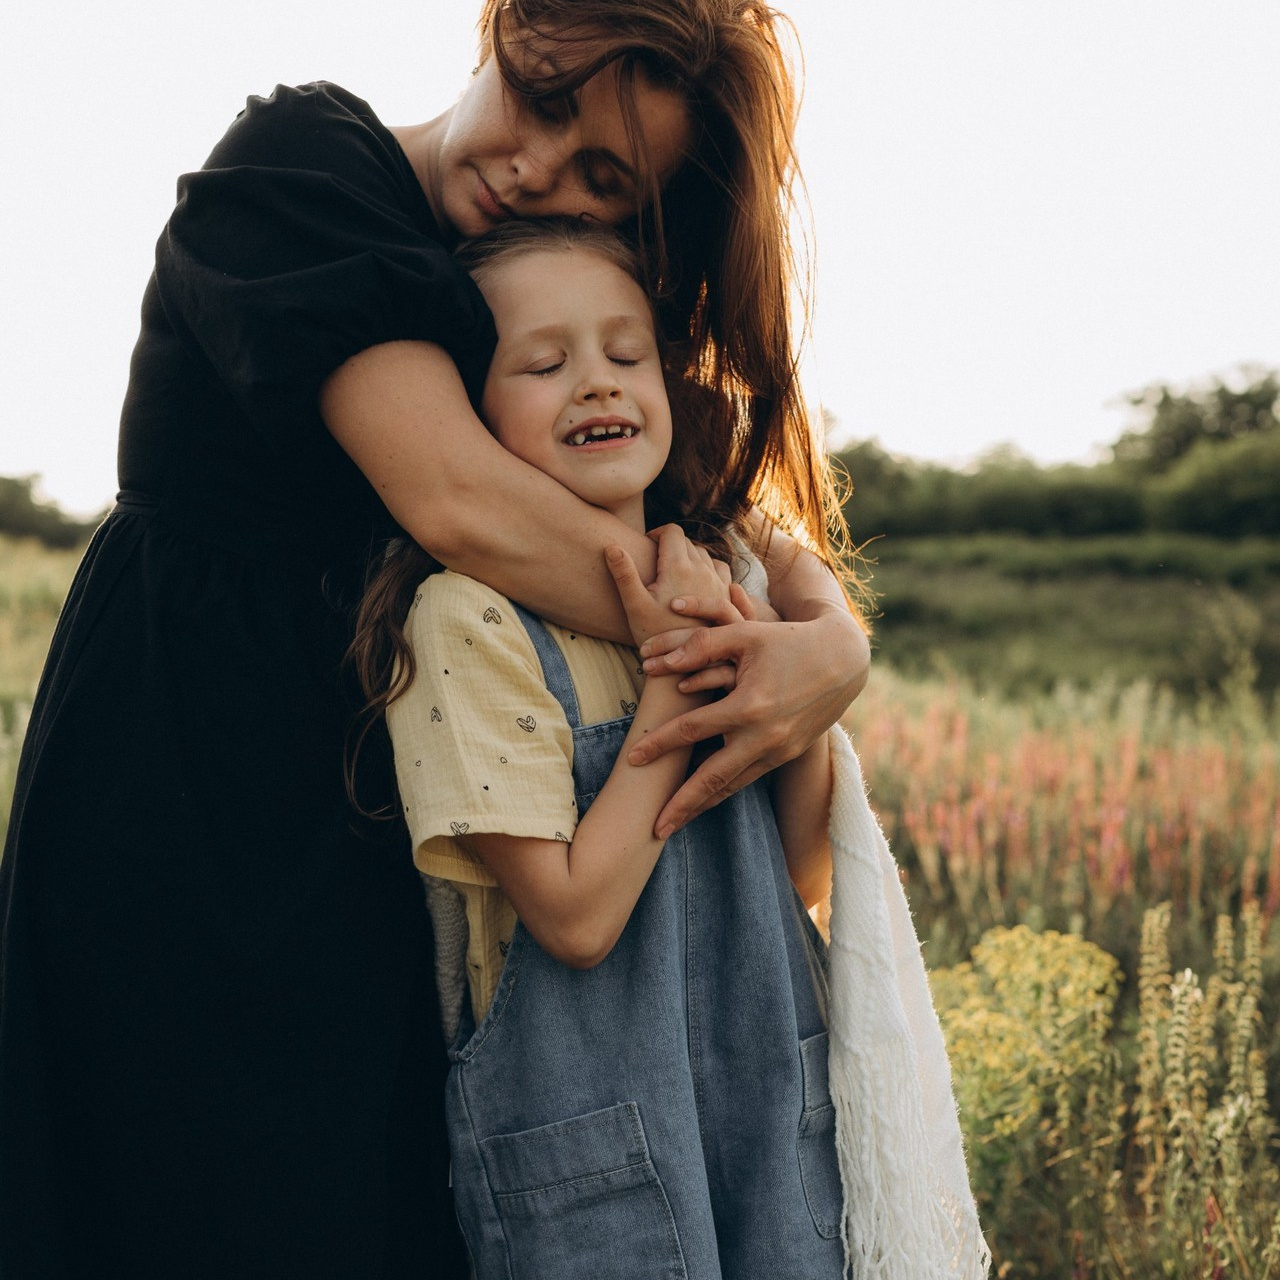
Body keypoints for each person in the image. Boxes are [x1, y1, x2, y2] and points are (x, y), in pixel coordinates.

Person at [0, 2, 870, 1278]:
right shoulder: (301, 167)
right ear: (508, 29)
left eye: (603, 179)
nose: (536, 168)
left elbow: (715, 508)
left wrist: (833, 639)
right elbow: (456, 499)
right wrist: (749, 639)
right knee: (181, 1203)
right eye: (546, 96)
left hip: (405, 838)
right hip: (194, 803)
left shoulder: (548, 289)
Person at [367, 219, 988, 1279]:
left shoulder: (727, 570)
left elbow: (790, 870)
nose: (596, 384)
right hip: (588, 1162)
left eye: (624, 353)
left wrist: (773, 647)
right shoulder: (467, 621)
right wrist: (675, 668)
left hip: (765, 1118)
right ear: (469, 414)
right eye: (543, 361)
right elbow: (572, 916)